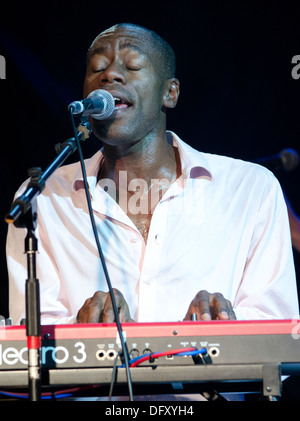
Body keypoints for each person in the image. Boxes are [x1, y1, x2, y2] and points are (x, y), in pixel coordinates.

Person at [6, 23, 299, 326]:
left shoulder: (250, 189)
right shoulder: (43, 199)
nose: (109, 75)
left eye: (132, 66)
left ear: (169, 93)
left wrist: (211, 333)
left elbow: (279, 330)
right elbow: (32, 342)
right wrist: (83, 331)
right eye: (97, 68)